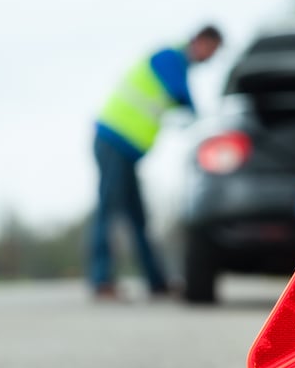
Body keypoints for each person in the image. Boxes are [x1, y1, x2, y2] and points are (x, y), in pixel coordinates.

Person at [88, 25, 223, 300]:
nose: (210, 58)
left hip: (125, 150)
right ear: (201, 41)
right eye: (212, 50)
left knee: (137, 217)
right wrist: (205, 122)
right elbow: (181, 94)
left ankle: (156, 281)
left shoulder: (175, 63)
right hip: (113, 140)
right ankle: (101, 279)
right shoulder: (169, 57)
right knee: (109, 210)